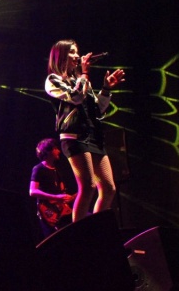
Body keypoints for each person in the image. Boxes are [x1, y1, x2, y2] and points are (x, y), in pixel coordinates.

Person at [45, 39, 125, 222]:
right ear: (61, 55)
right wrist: (84, 73)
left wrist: (106, 89)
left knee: (109, 188)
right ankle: (79, 234)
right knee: (88, 187)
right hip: (74, 137)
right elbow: (76, 97)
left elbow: (97, 109)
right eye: (72, 52)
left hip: (93, 136)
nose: (77, 55)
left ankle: (95, 229)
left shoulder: (80, 80)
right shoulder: (53, 80)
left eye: (77, 51)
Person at [29, 138, 75, 238]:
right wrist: (57, 197)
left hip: (61, 211)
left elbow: (61, 192)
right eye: (56, 148)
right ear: (48, 151)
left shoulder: (57, 171)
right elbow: (32, 191)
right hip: (48, 213)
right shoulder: (38, 169)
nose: (59, 151)